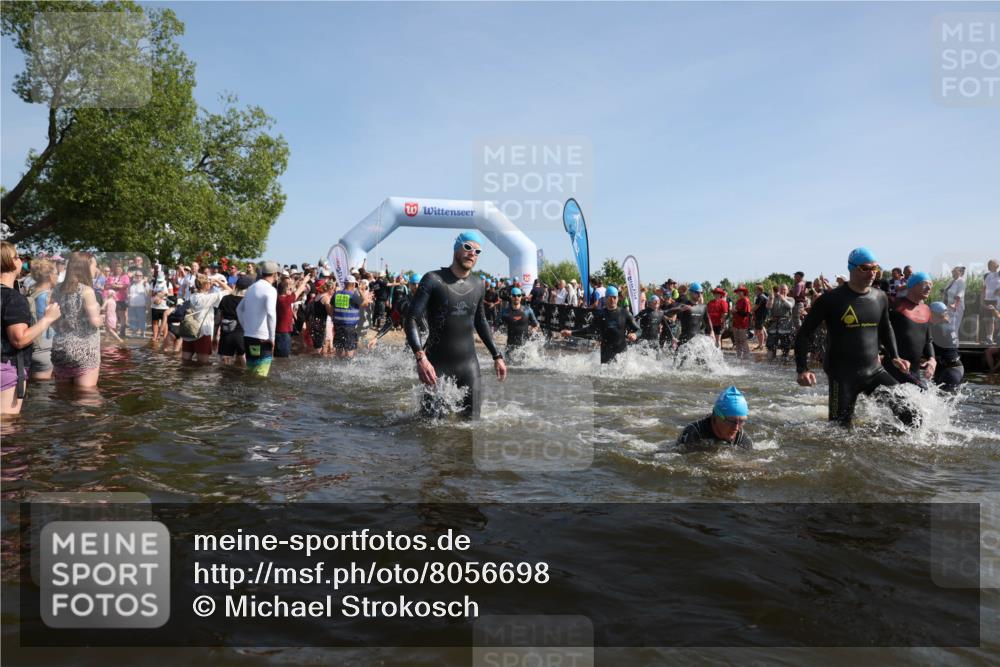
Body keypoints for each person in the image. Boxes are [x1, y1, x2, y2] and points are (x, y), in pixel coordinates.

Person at [794, 247, 915, 426]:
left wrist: (895, 356)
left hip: (874, 371)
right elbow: (804, 334)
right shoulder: (831, 299)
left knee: (911, 416)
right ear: (851, 268)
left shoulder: (880, 297)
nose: (872, 273)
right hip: (841, 376)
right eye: (865, 268)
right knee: (838, 432)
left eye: (875, 268)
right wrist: (802, 369)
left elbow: (885, 327)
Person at [405, 231, 506, 419]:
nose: (472, 253)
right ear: (456, 248)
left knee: (471, 428)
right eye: (468, 247)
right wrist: (421, 358)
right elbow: (411, 318)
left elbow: (480, 321)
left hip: (468, 368)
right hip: (435, 367)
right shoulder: (433, 279)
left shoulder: (478, 284)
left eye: (477, 251)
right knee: (430, 429)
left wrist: (497, 355)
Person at [2, 241, 61, 415]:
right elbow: (18, 339)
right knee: (6, 427)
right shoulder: (12, 297)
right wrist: (48, 319)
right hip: (7, 368)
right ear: (12, 262)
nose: (21, 261)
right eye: (17, 257)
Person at [51, 252, 103, 387]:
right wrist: (102, 317)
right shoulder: (87, 291)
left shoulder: (57, 289)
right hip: (84, 352)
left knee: (62, 397)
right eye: (95, 266)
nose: (96, 270)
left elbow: (52, 319)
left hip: (60, 349)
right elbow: (95, 322)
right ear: (86, 267)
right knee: (86, 398)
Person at [560, 286, 639, 364]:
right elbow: (589, 330)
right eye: (610, 297)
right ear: (605, 298)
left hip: (621, 353)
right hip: (606, 353)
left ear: (618, 298)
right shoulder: (600, 314)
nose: (612, 300)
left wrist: (635, 334)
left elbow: (639, 330)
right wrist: (571, 332)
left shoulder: (625, 313)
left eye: (614, 297)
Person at [884, 271, 935, 388]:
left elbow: (928, 340)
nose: (929, 287)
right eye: (925, 284)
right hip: (894, 367)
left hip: (914, 371)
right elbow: (879, 329)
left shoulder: (926, 309)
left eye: (931, 284)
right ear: (912, 285)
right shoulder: (894, 304)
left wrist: (932, 359)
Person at [675, 386, 753, 452]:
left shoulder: (742, 440)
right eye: (731, 421)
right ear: (716, 416)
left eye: (741, 421)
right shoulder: (693, 433)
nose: (736, 428)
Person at [237, 261, 278, 376]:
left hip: (249, 337)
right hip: (263, 338)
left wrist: (246, 327)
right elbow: (271, 313)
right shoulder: (270, 290)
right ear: (275, 274)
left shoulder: (251, 287)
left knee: (251, 372)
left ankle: (248, 394)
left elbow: (239, 309)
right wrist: (272, 337)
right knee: (261, 375)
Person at [181, 274, 232, 365]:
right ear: (206, 285)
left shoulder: (192, 296)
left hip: (188, 331)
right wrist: (217, 281)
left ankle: (186, 379)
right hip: (203, 332)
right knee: (203, 364)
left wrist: (208, 282)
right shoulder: (208, 297)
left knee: (185, 362)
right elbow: (230, 290)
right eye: (209, 284)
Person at [26, 259, 58, 380]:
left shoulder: (30, 293)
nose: (57, 276)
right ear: (50, 276)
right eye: (56, 273)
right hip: (45, 348)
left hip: (30, 346)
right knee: (43, 392)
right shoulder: (48, 297)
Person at [929, 302, 964, 392]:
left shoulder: (938, 328)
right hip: (954, 368)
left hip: (950, 370)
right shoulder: (947, 325)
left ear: (932, 314)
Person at [333, 275, 369, 359]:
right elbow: (366, 303)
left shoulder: (336, 294)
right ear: (353, 285)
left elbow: (331, 306)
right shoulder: (353, 295)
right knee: (350, 350)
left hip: (338, 325)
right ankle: (348, 367)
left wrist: (334, 317)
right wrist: (360, 291)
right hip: (349, 327)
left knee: (339, 348)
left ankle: (337, 366)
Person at [218, 276, 250, 366]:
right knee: (243, 366)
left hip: (226, 334)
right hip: (241, 335)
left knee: (224, 366)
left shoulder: (225, 299)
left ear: (236, 286)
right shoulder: (247, 300)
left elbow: (219, 318)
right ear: (248, 288)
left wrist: (214, 336)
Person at [275, 273, 310, 358]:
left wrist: (298, 280)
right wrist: (305, 280)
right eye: (289, 289)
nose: (291, 290)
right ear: (285, 290)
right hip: (284, 333)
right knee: (283, 358)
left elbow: (294, 288)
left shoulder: (278, 298)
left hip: (279, 332)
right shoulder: (285, 300)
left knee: (279, 356)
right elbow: (300, 290)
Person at [500, 287, 540, 354]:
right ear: (511, 296)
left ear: (521, 297)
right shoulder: (505, 312)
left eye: (518, 295)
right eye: (514, 295)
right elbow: (495, 326)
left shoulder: (527, 310)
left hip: (524, 348)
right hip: (510, 348)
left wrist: (534, 329)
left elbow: (536, 325)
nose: (516, 297)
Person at [765, 284, 795, 360]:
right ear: (779, 290)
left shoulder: (791, 299)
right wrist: (771, 298)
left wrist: (782, 298)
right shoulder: (773, 298)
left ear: (787, 291)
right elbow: (768, 307)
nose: (783, 291)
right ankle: (769, 363)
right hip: (774, 325)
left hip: (785, 325)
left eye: (784, 289)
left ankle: (785, 362)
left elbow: (790, 306)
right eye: (781, 289)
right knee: (770, 346)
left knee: (786, 346)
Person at [943, 266, 966, 342]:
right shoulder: (951, 281)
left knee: (954, 328)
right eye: (952, 271)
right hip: (948, 307)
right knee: (949, 327)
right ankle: (951, 344)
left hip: (956, 307)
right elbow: (947, 291)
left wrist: (955, 305)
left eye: (955, 271)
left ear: (960, 272)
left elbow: (960, 293)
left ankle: (955, 345)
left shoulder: (961, 281)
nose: (952, 272)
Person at [731, 285, 753, 360]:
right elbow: (737, 312)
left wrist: (736, 311)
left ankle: (746, 358)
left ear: (744, 292)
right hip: (736, 324)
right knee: (737, 342)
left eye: (741, 291)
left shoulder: (745, 300)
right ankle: (739, 357)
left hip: (743, 324)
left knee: (743, 341)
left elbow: (747, 313)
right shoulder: (738, 301)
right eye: (738, 292)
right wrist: (733, 311)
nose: (739, 293)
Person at [982, 259, 999, 345]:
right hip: (987, 299)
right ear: (990, 265)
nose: (997, 263)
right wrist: (982, 300)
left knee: (995, 319)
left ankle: (993, 337)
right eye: (995, 262)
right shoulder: (987, 275)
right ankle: (989, 337)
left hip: (996, 300)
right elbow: (983, 288)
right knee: (988, 319)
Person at [752, 284, 768, 351]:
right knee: (759, 330)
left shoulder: (760, 297)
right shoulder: (762, 296)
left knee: (760, 331)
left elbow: (756, 306)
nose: (755, 291)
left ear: (759, 290)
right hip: (760, 315)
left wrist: (751, 310)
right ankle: (760, 344)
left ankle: (761, 345)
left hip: (760, 316)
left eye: (756, 290)